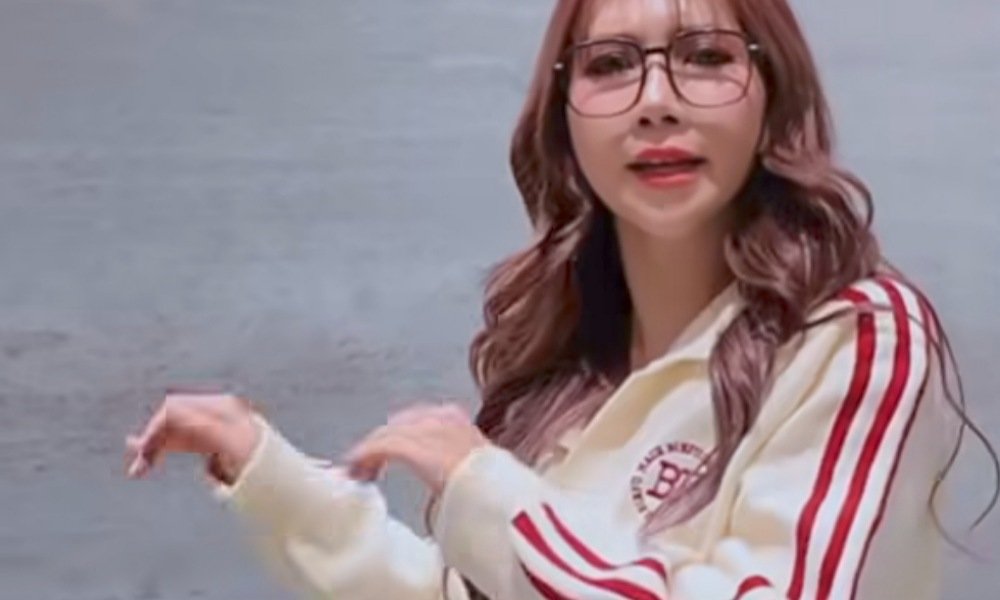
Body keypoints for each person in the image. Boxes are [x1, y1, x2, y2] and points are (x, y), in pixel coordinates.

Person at [123, 0, 995, 598]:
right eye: (611, 65)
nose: (657, 102)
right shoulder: (570, 380)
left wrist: (482, 487)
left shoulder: (857, 338)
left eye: (706, 58)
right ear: (564, 122)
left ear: (773, 100)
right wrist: (272, 473)